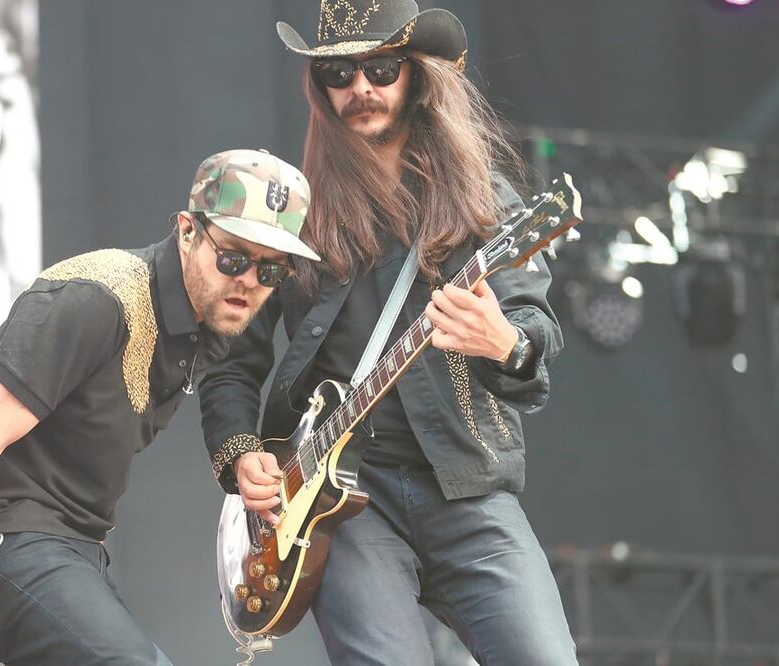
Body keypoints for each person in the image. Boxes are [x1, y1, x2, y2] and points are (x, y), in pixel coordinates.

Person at [199, 3, 578, 664]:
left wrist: (502, 343)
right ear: (320, 88)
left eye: (379, 67)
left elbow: (531, 332)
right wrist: (239, 454)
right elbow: (231, 358)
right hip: (345, 501)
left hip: (465, 486)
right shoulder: (294, 218)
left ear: (417, 77)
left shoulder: (482, 202)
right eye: (338, 73)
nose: (360, 87)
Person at [0, 148, 321, 666]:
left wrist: (243, 457)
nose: (249, 281)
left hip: (74, 547)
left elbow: (229, 393)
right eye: (234, 258)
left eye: (271, 272)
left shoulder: (206, 322)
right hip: (4, 539)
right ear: (187, 230)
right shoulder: (96, 298)